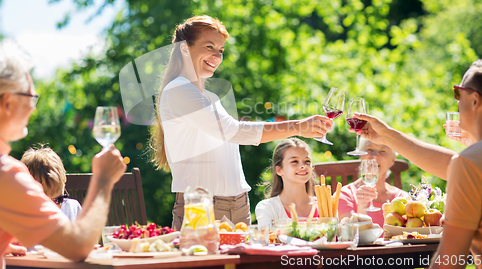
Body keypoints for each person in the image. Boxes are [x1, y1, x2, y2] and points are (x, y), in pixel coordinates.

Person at [150, 15, 333, 230]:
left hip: (237, 204)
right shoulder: (179, 89)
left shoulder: (210, 98)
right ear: (184, 49)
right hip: (204, 206)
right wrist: (297, 127)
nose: (217, 56)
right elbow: (233, 131)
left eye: (220, 50)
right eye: (209, 47)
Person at [0, 45, 127, 269]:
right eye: (32, 98)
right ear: (7, 102)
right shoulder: (4, 174)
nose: (34, 108)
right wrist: (103, 179)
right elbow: (78, 246)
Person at [351, 59, 482, 269]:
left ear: (474, 100)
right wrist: (387, 137)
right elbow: (450, 164)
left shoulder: (471, 163)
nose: (455, 102)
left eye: (457, 93)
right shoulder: (474, 161)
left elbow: (449, 261)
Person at [337, 138, 408, 226]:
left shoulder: (403, 198)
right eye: (369, 149)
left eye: (383, 151)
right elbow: (348, 234)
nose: (374, 156)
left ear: (392, 160)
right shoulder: (345, 195)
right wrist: (362, 206)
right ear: (360, 156)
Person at [255, 138, 318, 228]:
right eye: (294, 161)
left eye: (307, 161)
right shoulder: (268, 207)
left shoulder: (325, 206)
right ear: (279, 170)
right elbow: (266, 239)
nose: (303, 166)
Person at [21, 146, 82, 222]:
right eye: (42, 202)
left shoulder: (72, 209)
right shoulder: (22, 218)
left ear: (64, 179)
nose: (52, 208)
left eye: (59, 200)